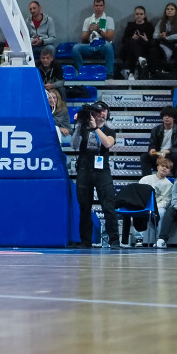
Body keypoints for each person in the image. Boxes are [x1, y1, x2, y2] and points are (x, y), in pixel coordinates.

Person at [71, 101, 118, 249]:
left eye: (104, 111)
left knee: (108, 206)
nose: (102, 114)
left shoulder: (109, 130)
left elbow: (108, 144)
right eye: (99, 111)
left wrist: (96, 128)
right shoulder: (83, 128)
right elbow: (73, 145)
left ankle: (114, 241)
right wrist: (78, 125)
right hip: (84, 170)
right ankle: (86, 241)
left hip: (102, 171)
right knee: (84, 207)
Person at [73, 0, 116, 79]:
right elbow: (83, 39)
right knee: (76, 48)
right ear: (94, 7)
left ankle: (109, 74)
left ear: (104, 7)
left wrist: (99, 31)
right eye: (96, 5)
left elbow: (110, 38)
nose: (98, 7)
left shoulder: (109, 19)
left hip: (103, 47)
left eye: (100, 5)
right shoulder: (87, 20)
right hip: (90, 46)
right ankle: (81, 71)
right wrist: (89, 31)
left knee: (109, 46)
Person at [141, 108, 177, 176]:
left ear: (174, 118)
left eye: (169, 116)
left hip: (171, 154)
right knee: (144, 156)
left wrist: (168, 151)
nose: (166, 118)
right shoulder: (155, 130)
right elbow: (152, 144)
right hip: (159, 154)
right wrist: (152, 149)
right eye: (164, 116)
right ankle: (146, 179)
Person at [151, 2, 177, 74]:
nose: (169, 11)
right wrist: (160, 35)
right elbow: (154, 35)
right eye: (167, 9)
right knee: (153, 50)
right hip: (164, 44)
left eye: (172, 9)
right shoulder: (161, 21)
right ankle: (155, 73)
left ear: (176, 11)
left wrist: (168, 37)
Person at [120, 6, 153, 79]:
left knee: (135, 45)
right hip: (131, 49)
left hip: (144, 48)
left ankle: (131, 73)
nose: (139, 16)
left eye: (141, 14)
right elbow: (124, 40)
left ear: (144, 15)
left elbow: (153, 41)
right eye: (137, 14)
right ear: (134, 15)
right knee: (132, 42)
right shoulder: (130, 25)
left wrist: (146, 39)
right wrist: (132, 38)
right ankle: (140, 58)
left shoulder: (149, 26)